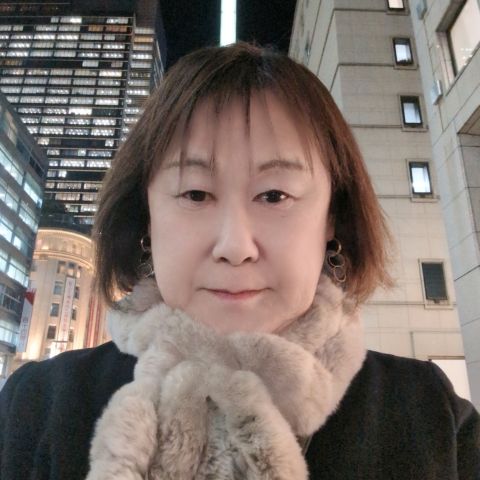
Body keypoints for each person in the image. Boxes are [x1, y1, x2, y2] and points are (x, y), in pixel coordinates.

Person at [0, 43, 479, 480]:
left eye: (274, 195)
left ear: (332, 217)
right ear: (146, 216)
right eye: (195, 193)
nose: (235, 245)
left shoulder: (432, 416)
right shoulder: (38, 405)